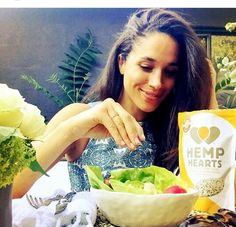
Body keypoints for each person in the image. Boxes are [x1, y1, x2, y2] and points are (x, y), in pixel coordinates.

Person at [13, 8, 218, 198]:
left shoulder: (179, 129)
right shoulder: (79, 117)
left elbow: (218, 190)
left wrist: (208, 88)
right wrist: (75, 129)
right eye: (146, 66)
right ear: (122, 63)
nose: (157, 83)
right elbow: (13, 187)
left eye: (170, 72)